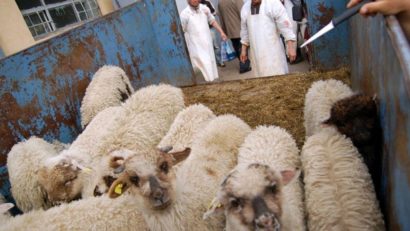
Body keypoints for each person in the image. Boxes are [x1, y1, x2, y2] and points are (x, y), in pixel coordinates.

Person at [240, 0, 297, 77]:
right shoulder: (245, 8)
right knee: (261, 81)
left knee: (278, 79)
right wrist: (243, 50)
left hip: (273, 53)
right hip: (256, 54)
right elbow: (244, 31)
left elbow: (285, 26)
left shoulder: (273, 3)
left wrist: (291, 48)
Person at [180, 0, 228, 82]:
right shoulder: (184, 14)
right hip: (196, 46)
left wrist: (222, 32)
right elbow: (182, 30)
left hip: (208, 43)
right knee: (204, 64)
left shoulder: (205, 9)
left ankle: (213, 82)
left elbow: (212, 21)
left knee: (211, 63)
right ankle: (210, 82)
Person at [218, 0, 251, 73]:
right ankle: (244, 67)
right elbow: (243, 13)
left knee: (236, 47)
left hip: (230, 30)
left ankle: (243, 63)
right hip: (239, 28)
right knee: (242, 48)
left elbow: (221, 18)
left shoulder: (220, 3)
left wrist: (224, 31)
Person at [201, 0, 225, 67]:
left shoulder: (207, 3)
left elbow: (214, 12)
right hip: (201, 30)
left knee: (215, 45)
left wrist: (208, 14)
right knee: (205, 47)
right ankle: (209, 64)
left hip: (210, 28)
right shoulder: (193, 7)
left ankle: (219, 61)